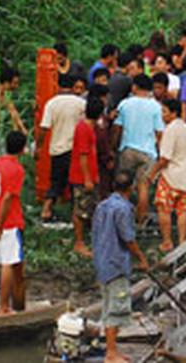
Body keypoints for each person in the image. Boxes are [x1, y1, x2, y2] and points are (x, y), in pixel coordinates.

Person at [92, 173, 151, 363]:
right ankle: (110, 353)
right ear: (131, 188)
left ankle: (112, 350)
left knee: (109, 305)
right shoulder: (123, 209)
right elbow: (128, 239)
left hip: (103, 262)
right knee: (115, 310)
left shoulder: (102, 206)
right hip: (116, 265)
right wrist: (142, 258)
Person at [0, 131, 27, 318]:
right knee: (8, 263)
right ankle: (4, 307)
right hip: (8, 222)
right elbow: (9, 197)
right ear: (22, 149)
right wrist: (1, 225)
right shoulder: (17, 169)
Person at [113, 74, 165, 224]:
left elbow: (117, 128)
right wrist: (161, 154)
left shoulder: (125, 104)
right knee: (144, 188)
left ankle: (122, 220)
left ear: (134, 87)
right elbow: (159, 133)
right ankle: (141, 221)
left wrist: (113, 147)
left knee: (124, 185)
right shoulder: (156, 107)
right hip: (148, 152)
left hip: (127, 149)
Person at [147, 99, 186, 251]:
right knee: (183, 211)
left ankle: (167, 242)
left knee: (164, 209)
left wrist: (152, 174)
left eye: (164, 111)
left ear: (173, 113)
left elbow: (164, 159)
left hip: (171, 176)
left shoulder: (170, 130)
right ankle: (182, 242)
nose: (162, 115)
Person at [39, 87, 86, 225]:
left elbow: (44, 127)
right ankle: (75, 216)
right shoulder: (81, 103)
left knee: (56, 182)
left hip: (58, 149)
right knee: (75, 184)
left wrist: (39, 147)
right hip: (75, 150)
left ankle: (46, 211)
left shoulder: (52, 103)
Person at [70, 98, 103, 258]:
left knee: (89, 208)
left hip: (90, 175)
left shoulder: (89, 127)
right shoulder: (84, 129)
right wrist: (87, 178)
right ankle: (79, 242)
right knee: (80, 210)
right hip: (82, 177)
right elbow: (82, 155)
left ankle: (87, 240)